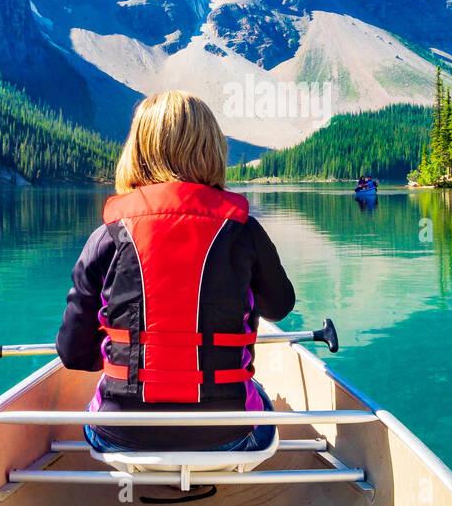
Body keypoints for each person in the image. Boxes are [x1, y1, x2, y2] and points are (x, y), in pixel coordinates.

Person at [56, 90, 296, 453]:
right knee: (259, 394)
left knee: (103, 398)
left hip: (119, 438)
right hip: (230, 437)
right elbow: (279, 307)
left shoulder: (106, 236)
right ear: (212, 149)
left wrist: (127, 358)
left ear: (137, 152)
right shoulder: (244, 231)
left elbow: (73, 353)